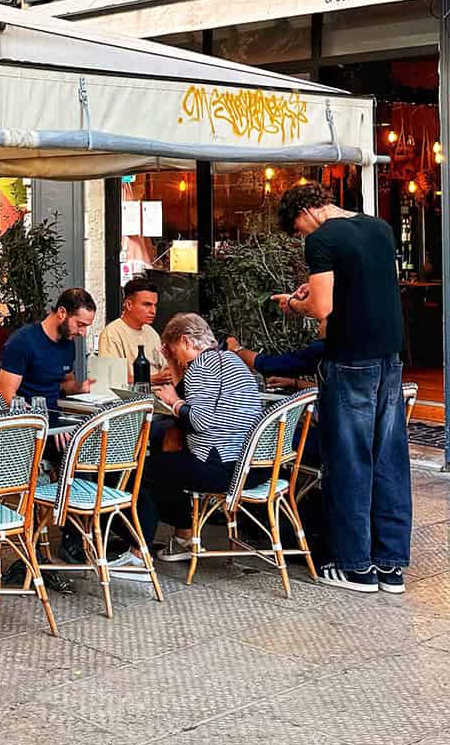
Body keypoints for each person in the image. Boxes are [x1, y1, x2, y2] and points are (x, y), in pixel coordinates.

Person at [275, 181, 409, 594]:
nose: (301, 235)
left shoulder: (321, 238)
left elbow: (323, 309)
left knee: (349, 460)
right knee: (388, 458)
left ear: (305, 213)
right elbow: (362, 286)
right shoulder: (379, 228)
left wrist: (293, 303)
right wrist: (314, 289)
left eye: (297, 228)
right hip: (390, 355)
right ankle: (391, 567)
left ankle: (355, 566)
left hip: (350, 359)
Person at [135, 313, 262, 561]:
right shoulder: (231, 360)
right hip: (252, 465)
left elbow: (198, 420)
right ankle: (183, 536)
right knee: (168, 457)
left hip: (221, 466)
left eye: (174, 350)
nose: (179, 359)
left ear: (185, 341)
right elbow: (192, 398)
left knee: (146, 471)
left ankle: (139, 552)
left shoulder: (201, 366)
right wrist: (172, 364)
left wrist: (173, 403)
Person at [0, 288, 97, 407]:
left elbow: (67, 382)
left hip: (59, 417)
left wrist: (79, 389)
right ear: (61, 313)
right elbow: (6, 395)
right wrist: (33, 415)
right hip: (30, 420)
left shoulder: (68, 343)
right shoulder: (22, 341)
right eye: (80, 325)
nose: (83, 333)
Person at [98, 275, 164, 377]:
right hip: (131, 392)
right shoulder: (112, 333)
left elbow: (164, 367)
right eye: (147, 305)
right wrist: (153, 379)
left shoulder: (152, 332)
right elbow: (113, 377)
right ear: (129, 305)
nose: (153, 311)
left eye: (155, 305)